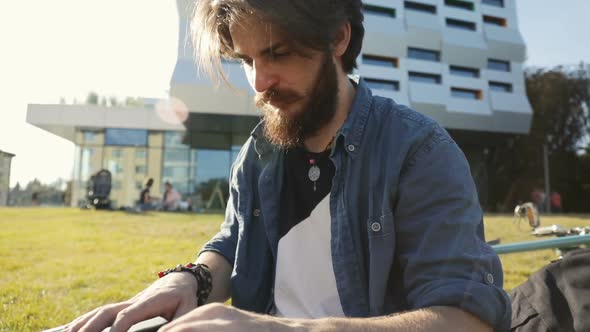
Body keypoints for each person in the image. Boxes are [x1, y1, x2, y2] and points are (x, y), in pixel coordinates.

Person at [63, 1, 510, 331]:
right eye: (247, 60)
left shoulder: (419, 151)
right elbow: (232, 243)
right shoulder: (258, 154)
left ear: (338, 37)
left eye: (278, 54)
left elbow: (467, 318)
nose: (259, 83)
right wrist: (191, 281)